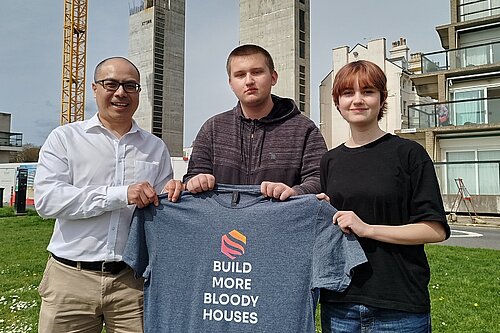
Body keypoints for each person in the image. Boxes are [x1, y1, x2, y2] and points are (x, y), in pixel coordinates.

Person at [34, 56, 182, 332]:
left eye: (130, 86)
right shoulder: (65, 138)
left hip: (131, 285)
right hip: (70, 280)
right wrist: (121, 194)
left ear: (139, 92)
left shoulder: (155, 147)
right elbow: (47, 201)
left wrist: (175, 193)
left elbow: (161, 211)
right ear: (94, 88)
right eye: (111, 84)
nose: (120, 93)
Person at [318, 60, 450, 333]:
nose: (357, 100)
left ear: (381, 99)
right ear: (337, 102)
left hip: (399, 304)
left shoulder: (409, 154)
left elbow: (435, 230)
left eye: (367, 91)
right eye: (347, 93)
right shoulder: (329, 161)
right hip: (340, 302)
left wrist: (368, 229)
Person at [165, 44, 327, 198]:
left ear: (273, 77)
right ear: (231, 83)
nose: (249, 81)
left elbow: (319, 179)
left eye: (256, 72)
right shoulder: (213, 129)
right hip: (223, 225)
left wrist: (295, 192)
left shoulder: (304, 129)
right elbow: (193, 176)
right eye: (240, 75)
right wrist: (196, 181)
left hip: (282, 222)